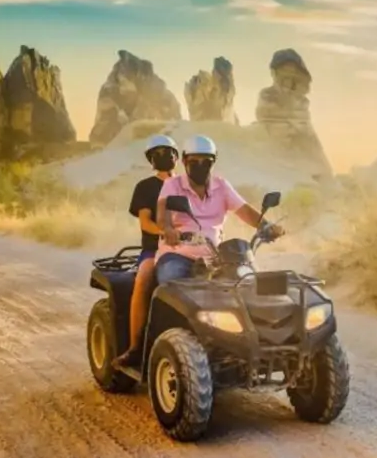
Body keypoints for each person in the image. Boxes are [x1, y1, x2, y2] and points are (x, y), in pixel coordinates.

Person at [155, 135, 285, 285]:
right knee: (172, 283)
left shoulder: (221, 186)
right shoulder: (172, 184)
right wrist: (168, 229)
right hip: (178, 256)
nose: (200, 165)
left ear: (214, 161)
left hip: (217, 258)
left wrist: (267, 226)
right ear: (184, 160)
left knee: (247, 285)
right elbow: (163, 215)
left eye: (206, 162)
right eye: (194, 161)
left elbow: (245, 211)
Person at [112, 134, 179, 369]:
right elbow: (145, 223)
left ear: (177, 157)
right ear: (151, 159)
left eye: (170, 152)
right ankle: (134, 348)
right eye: (159, 153)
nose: (166, 157)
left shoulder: (185, 185)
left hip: (188, 248)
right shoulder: (145, 187)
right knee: (144, 278)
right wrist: (164, 232)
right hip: (154, 249)